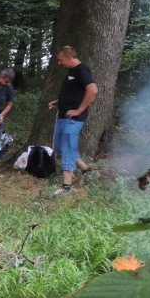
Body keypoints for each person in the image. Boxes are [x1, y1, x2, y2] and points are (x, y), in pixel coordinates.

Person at [48, 46, 98, 195]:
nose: (59, 63)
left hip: (74, 119)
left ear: (69, 57)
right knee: (59, 147)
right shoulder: (71, 72)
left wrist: (79, 110)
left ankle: (66, 188)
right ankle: (87, 170)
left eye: (60, 60)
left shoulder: (82, 69)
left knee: (68, 148)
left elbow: (93, 90)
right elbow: (75, 92)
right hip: (64, 115)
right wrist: (60, 101)